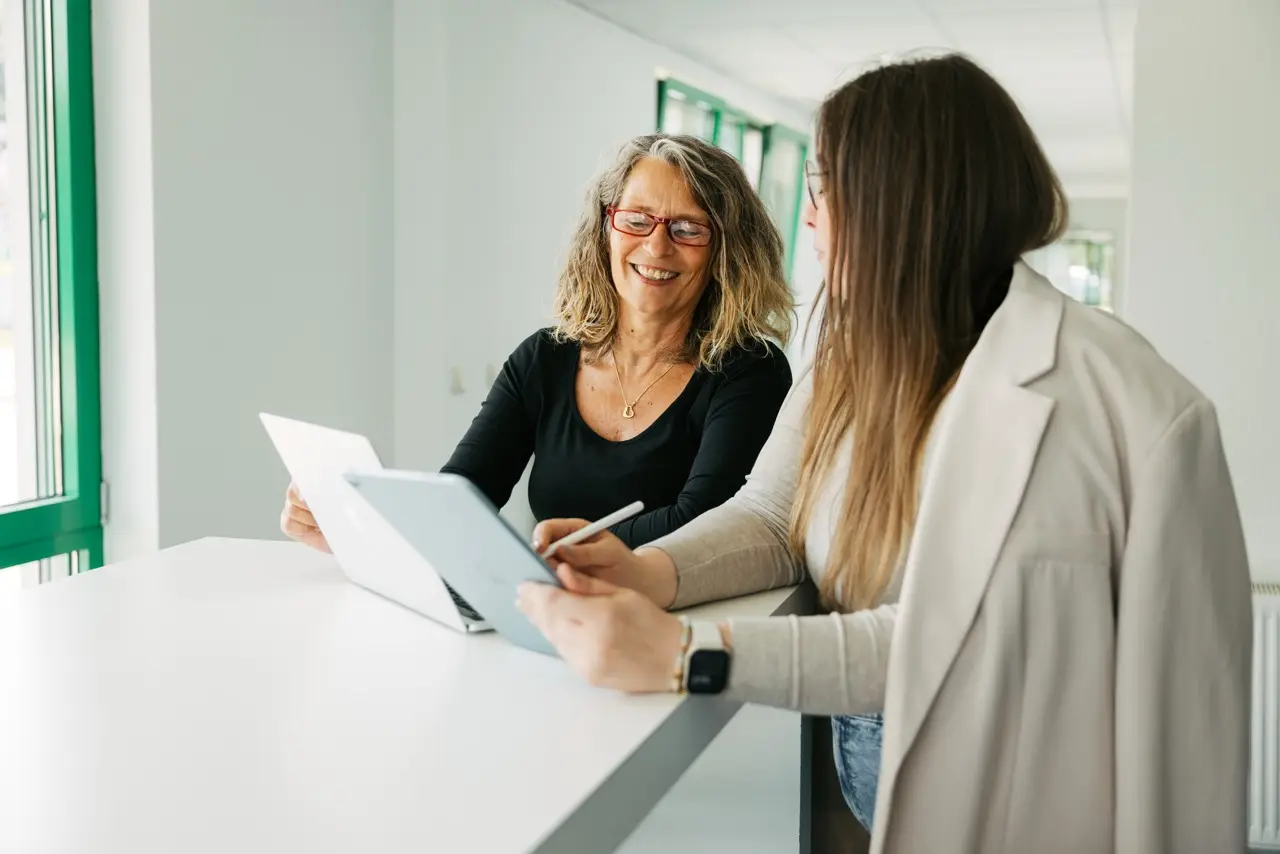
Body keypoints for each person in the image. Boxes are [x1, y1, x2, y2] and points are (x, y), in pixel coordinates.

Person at [519, 53, 1253, 854]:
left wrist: (687, 654)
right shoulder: (848, 353)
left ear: (898, 199)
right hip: (872, 771)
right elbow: (772, 517)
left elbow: (945, 643)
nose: (808, 220)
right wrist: (645, 567)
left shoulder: (1129, 408)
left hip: (1035, 806)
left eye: (822, 189)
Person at [281, 133, 794, 553]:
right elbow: (464, 496)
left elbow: (703, 525)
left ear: (726, 250)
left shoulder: (750, 372)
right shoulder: (544, 357)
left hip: (671, 627)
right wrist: (358, 529)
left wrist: (542, 558)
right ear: (606, 228)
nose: (656, 246)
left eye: (688, 228)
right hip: (552, 612)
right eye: (637, 220)